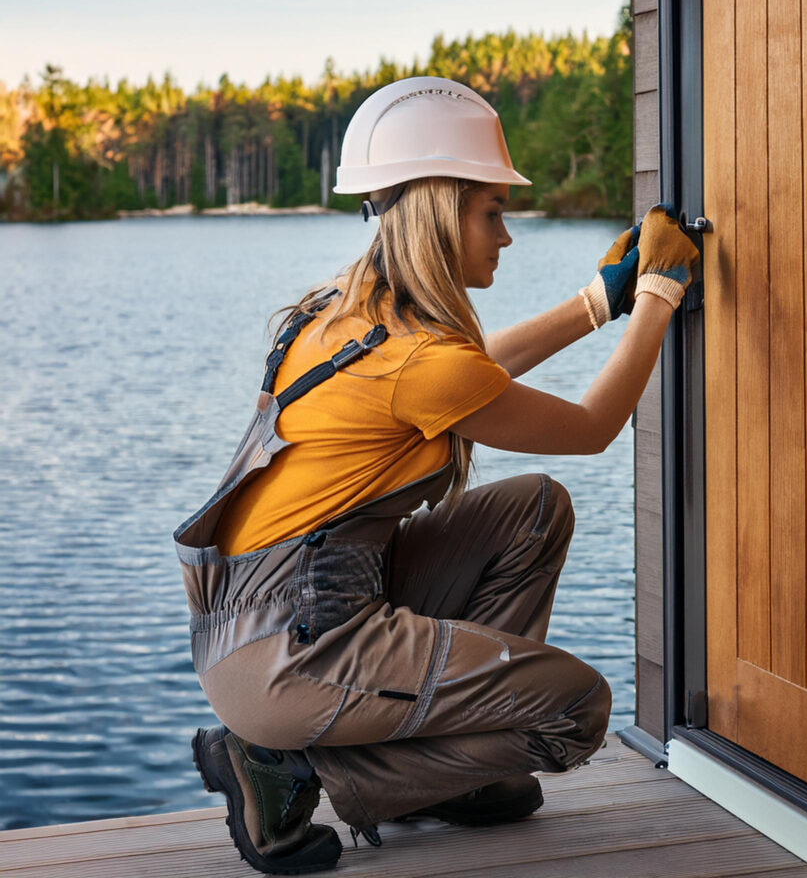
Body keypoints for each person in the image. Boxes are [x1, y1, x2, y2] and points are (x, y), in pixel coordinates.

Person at [174, 76, 699, 875]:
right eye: (493, 211)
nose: (507, 234)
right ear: (440, 209)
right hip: (295, 658)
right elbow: (592, 428)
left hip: (263, 623)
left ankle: (451, 770)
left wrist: (600, 302)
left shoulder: (345, 316)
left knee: (531, 510)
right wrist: (661, 293)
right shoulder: (418, 361)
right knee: (575, 713)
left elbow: (469, 377)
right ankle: (289, 768)